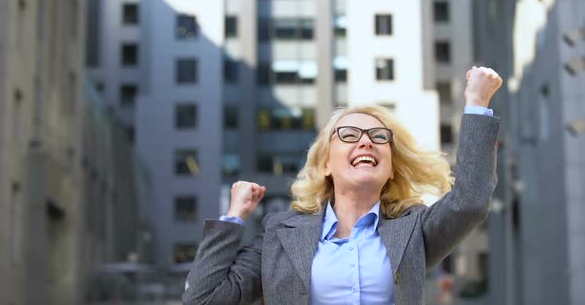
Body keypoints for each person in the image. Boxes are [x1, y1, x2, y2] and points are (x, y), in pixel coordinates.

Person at [182, 66, 502, 305]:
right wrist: (234, 218)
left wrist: (476, 102)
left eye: (378, 138)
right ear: (325, 165)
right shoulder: (281, 234)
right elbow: (203, 299)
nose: (365, 142)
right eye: (349, 135)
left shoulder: (413, 229)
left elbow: (470, 202)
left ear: (391, 168)